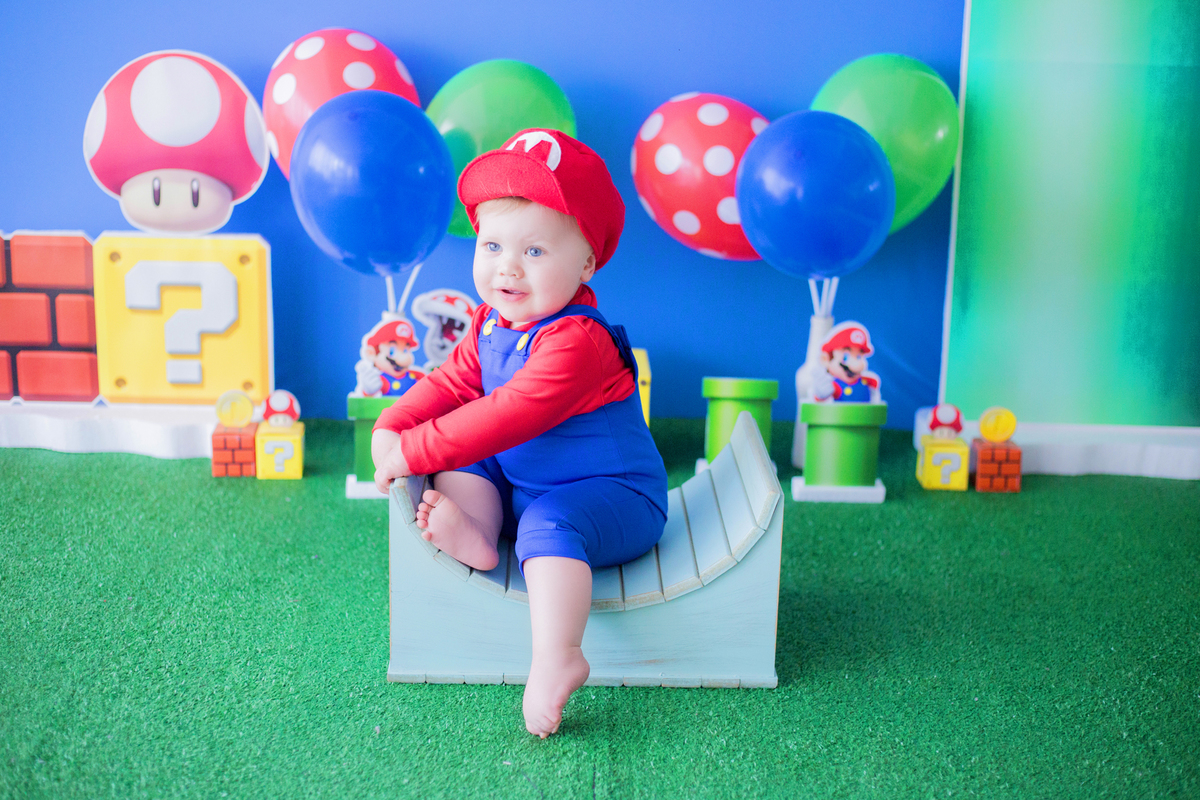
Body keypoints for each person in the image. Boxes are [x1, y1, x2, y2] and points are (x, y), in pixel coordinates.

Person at [371, 129, 668, 738]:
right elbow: (453, 382)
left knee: (545, 519)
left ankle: (560, 654)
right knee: (469, 462)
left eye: (534, 250)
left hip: (616, 497)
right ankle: (480, 536)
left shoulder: (577, 342)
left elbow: (509, 413)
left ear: (586, 263)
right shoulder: (490, 322)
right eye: (492, 244)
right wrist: (394, 424)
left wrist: (412, 449)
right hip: (524, 481)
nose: (507, 266)